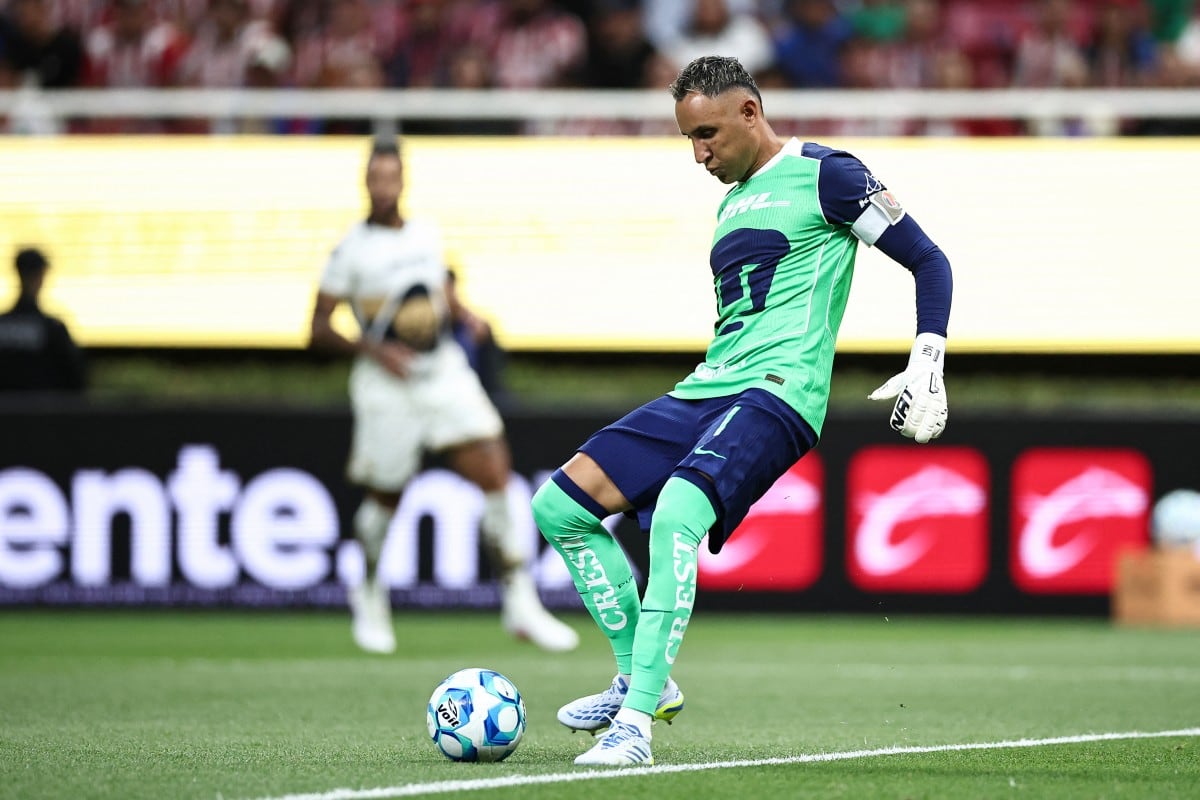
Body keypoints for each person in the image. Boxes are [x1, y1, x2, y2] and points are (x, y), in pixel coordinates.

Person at [530, 55, 952, 767]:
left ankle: (633, 727)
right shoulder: (731, 203)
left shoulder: (829, 175)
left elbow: (929, 260)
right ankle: (641, 678)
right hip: (707, 387)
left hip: (779, 394)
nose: (699, 154)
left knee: (676, 514)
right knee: (559, 506)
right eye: (689, 139)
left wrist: (928, 359)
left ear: (750, 113)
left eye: (708, 134)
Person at [309, 138, 579, 656]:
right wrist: (375, 350)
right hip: (387, 384)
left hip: (443, 371)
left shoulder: (426, 233)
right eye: (375, 178)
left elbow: (440, 291)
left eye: (391, 177)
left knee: (495, 472)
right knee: (385, 495)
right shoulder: (350, 251)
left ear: (402, 180)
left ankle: (519, 601)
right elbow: (317, 329)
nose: (383, 187)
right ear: (365, 182)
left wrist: (466, 314)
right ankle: (369, 590)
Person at [0, 247, 87, 393]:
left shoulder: (3, 325)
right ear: (39, 277)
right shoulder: (52, 328)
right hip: (43, 407)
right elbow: (75, 379)